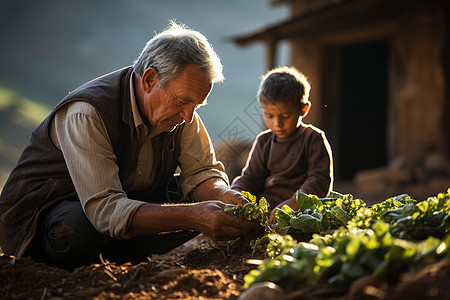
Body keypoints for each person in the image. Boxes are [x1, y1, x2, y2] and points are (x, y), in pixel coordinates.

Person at [0, 21, 259, 269]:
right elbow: (105, 210)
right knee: (77, 227)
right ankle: (95, 259)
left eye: (197, 105)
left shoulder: (182, 112)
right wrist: (193, 216)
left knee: (194, 199)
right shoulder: (88, 113)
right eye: (183, 101)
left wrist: (224, 195)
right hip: (41, 221)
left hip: (116, 206)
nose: (189, 116)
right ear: (149, 80)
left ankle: (121, 254)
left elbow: (203, 173)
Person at [231, 66, 333, 221]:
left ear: (303, 109)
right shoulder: (264, 141)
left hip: (302, 208)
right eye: (269, 115)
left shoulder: (312, 138)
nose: (277, 123)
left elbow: (319, 179)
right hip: (268, 203)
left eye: (285, 116)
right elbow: (251, 177)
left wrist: (294, 202)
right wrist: (236, 192)